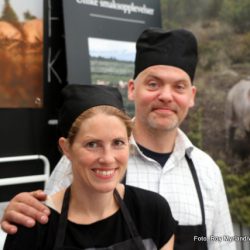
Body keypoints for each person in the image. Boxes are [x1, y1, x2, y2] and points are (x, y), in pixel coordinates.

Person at [1, 28, 236, 250]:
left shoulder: (207, 171)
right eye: (153, 84)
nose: (166, 96)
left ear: (191, 96)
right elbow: (47, 219)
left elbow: (222, 241)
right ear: (132, 89)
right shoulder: (85, 161)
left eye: (179, 87)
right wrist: (24, 212)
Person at [3, 84, 177, 250]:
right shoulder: (34, 225)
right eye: (92, 144)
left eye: (118, 142)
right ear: (66, 149)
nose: (108, 158)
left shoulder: (153, 211)